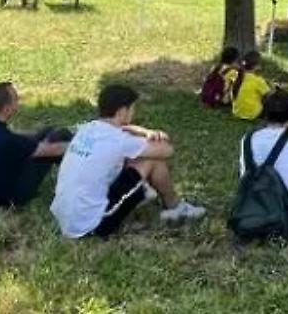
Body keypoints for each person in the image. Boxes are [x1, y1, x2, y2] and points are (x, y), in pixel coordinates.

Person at [51, 85, 204, 238]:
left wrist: (138, 131)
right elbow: (167, 150)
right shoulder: (120, 141)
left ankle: (143, 191)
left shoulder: (86, 129)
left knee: (127, 157)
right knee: (152, 160)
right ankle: (175, 207)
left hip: (63, 215)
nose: (133, 112)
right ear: (122, 111)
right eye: (132, 109)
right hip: (92, 224)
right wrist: (145, 132)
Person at [232, 51, 271, 121]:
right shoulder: (258, 80)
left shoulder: (238, 77)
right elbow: (269, 95)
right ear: (256, 66)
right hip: (253, 114)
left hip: (237, 112)